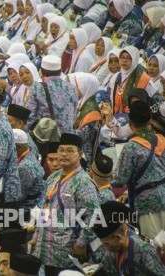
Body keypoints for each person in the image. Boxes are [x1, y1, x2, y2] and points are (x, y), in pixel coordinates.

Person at [31, 133, 100, 276]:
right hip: (44, 248)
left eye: (70, 151)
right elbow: (45, 208)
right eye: (61, 150)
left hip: (66, 252)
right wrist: (36, 235)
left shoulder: (83, 182)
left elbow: (94, 216)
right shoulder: (53, 177)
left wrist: (81, 243)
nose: (64, 154)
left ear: (80, 154)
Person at [112, 101, 165, 240]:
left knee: (155, 246)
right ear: (150, 121)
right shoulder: (162, 139)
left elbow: (119, 179)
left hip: (147, 204)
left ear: (130, 124)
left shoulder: (131, 147)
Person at [91, 201, 165, 275]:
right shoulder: (113, 251)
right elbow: (105, 270)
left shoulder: (143, 251)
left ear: (117, 237)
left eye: (106, 244)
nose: (106, 248)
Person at [26, 55, 78, 134]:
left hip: (46, 137)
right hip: (67, 137)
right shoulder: (72, 87)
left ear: (41, 72)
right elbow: (73, 114)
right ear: (60, 71)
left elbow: (30, 116)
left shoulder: (37, 87)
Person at [69, 72, 102, 165]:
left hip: (84, 156)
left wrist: (63, 128)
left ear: (84, 87)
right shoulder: (82, 104)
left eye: (76, 87)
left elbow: (82, 136)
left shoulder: (92, 110)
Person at [13, 129, 45, 211]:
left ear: (18, 147)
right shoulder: (29, 153)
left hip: (26, 210)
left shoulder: (24, 167)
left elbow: (17, 198)